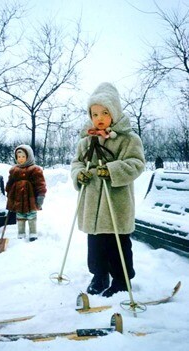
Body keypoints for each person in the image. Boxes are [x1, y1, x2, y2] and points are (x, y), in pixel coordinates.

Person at [71, 82, 145, 297]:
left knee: (117, 243)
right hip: (92, 202)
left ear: (115, 112)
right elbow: (76, 163)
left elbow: (137, 163)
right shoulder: (86, 140)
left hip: (116, 201)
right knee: (95, 243)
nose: (99, 118)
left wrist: (112, 170)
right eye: (94, 114)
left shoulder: (129, 139)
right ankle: (99, 274)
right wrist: (79, 174)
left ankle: (122, 279)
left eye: (105, 112)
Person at [5, 145, 47, 241]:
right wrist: (9, 192)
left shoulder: (35, 170)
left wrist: (40, 196)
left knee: (31, 215)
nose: (21, 159)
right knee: (20, 215)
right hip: (18, 198)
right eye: (19, 157)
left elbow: (40, 184)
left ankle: (33, 232)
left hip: (30, 198)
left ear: (29, 157)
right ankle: (21, 232)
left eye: (23, 156)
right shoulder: (14, 170)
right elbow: (10, 183)